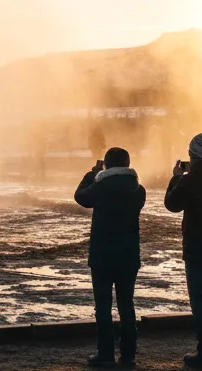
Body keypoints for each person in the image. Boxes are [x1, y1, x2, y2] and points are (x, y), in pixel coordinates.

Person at [74, 146, 145, 367]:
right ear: (128, 163)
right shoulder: (138, 189)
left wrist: (91, 174)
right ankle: (129, 355)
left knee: (103, 306)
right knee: (127, 305)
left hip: (102, 256)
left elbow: (80, 197)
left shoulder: (99, 187)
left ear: (106, 164)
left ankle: (105, 354)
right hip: (129, 256)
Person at [164, 134, 202, 367]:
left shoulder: (190, 180)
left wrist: (176, 178)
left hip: (197, 247)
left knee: (199, 299)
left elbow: (171, 204)